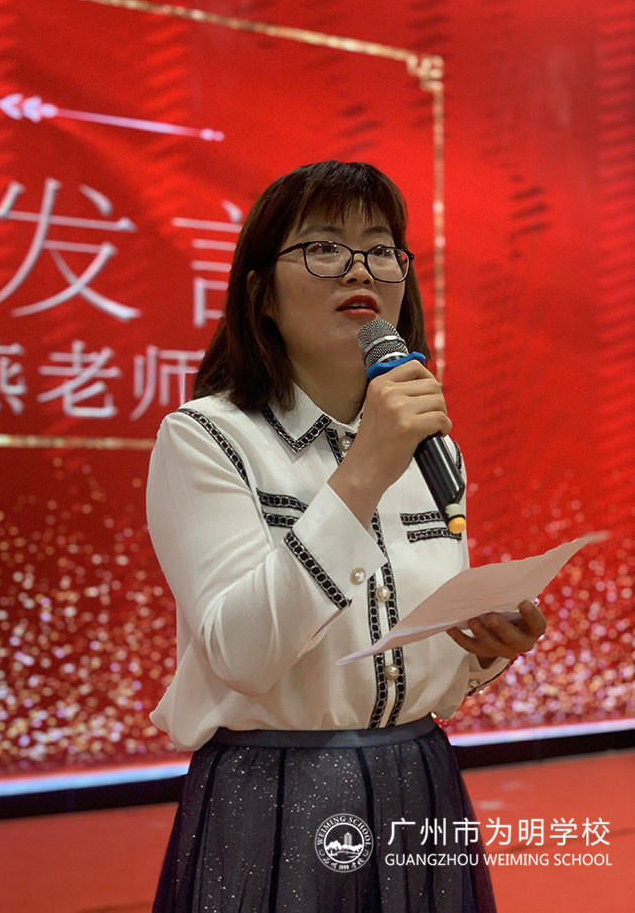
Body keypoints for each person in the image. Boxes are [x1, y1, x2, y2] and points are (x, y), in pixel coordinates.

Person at [146, 160, 547, 912]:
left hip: (420, 774)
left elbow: (411, 650)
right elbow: (243, 656)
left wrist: (484, 651)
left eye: (381, 249)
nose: (359, 268)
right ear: (261, 294)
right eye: (324, 247)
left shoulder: (432, 445)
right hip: (272, 790)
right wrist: (363, 471)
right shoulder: (207, 437)